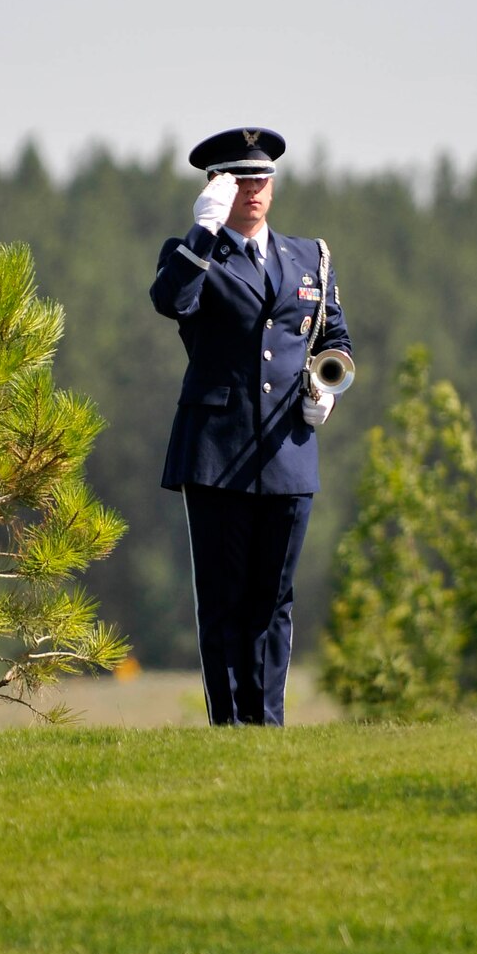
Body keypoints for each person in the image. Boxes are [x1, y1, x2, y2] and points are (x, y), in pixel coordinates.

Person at [150, 126, 353, 727]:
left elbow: (333, 338)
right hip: (217, 449)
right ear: (217, 187)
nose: (254, 189)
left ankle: (268, 727)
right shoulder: (192, 253)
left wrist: (327, 388)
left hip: (287, 449)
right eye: (239, 179)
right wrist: (204, 231)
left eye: (261, 177)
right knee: (225, 599)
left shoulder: (309, 256)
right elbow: (171, 301)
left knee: (273, 600)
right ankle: (230, 727)